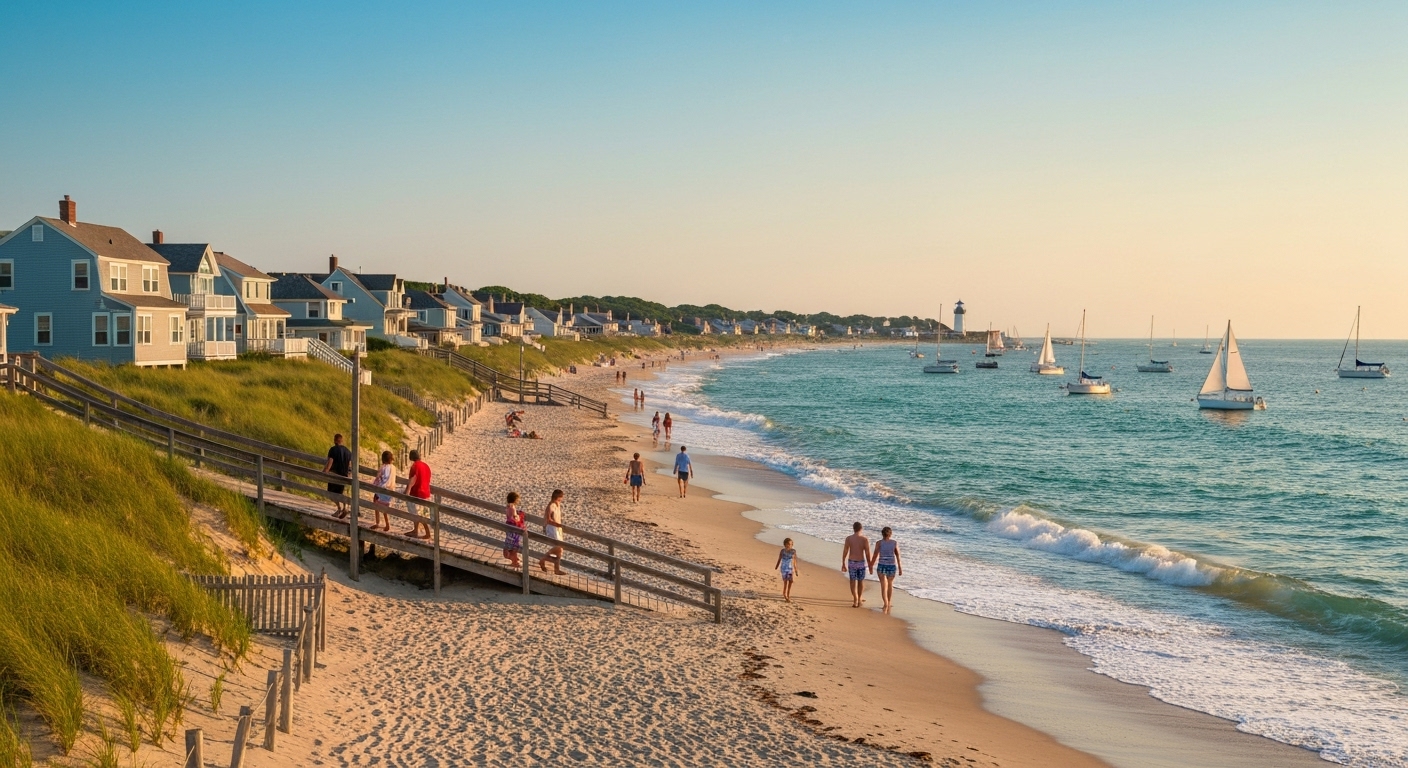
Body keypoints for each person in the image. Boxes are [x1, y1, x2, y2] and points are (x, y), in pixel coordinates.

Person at [869, 527, 903, 613]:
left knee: (883, 586)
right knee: (890, 584)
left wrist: (871, 565)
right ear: (890, 534)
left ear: (882, 534)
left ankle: (885, 603)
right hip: (891, 566)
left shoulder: (879, 543)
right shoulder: (894, 543)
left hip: (882, 566)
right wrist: (900, 567)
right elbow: (898, 556)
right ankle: (889, 602)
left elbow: (875, 555)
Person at [401, 450, 432, 539]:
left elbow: (412, 479)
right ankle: (418, 531)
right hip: (426, 492)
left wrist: (407, 491)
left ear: (411, 457)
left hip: (417, 492)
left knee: (416, 513)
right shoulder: (426, 465)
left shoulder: (415, 466)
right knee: (422, 513)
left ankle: (424, 533)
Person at [841, 522, 871, 608]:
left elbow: (845, 551)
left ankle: (855, 599)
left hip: (852, 562)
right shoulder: (864, 539)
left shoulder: (849, 539)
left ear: (853, 529)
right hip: (861, 562)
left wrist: (843, 562)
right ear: (861, 529)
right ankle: (859, 598)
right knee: (860, 581)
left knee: (852, 581)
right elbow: (867, 553)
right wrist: (870, 564)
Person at [324, 433, 353, 518]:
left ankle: (339, 508)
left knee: (331, 493)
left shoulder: (333, 450)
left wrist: (325, 471)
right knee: (339, 493)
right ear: (342, 440)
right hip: (344, 476)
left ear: (335, 440)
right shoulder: (348, 452)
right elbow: (350, 465)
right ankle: (344, 506)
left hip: (334, 475)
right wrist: (349, 475)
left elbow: (330, 461)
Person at [538, 489, 566, 574]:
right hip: (551, 528)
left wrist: (559, 526)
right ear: (558, 497)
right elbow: (548, 519)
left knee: (560, 549)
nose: (562, 499)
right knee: (559, 546)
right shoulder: (551, 505)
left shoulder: (558, 504)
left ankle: (556, 569)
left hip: (557, 528)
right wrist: (558, 525)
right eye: (561, 497)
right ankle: (542, 559)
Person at [371, 450, 395, 532]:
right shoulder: (393, 467)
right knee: (385, 506)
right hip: (390, 489)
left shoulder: (383, 467)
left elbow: (378, 477)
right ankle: (387, 524)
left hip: (382, 489)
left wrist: (374, 485)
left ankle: (378, 522)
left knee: (376, 502)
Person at [503, 491, 526, 568]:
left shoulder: (507, 507)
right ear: (515, 499)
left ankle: (515, 560)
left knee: (510, 546)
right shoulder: (512, 507)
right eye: (518, 499)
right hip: (514, 529)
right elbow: (515, 519)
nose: (518, 501)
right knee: (514, 546)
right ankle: (515, 562)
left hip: (509, 528)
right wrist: (520, 516)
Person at [774, 538, 799, 602]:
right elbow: (779, 559)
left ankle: (788, 594)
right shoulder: (782, 551)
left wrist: (796, 570)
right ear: (785, 544)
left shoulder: (793, 551)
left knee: (791, 581)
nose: (789, 545)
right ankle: (784, 594)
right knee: (785, 581)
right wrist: (776, 566)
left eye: (791, 544)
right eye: (788, 544)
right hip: (784, 568)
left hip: (790, 568)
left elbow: (794, 561)